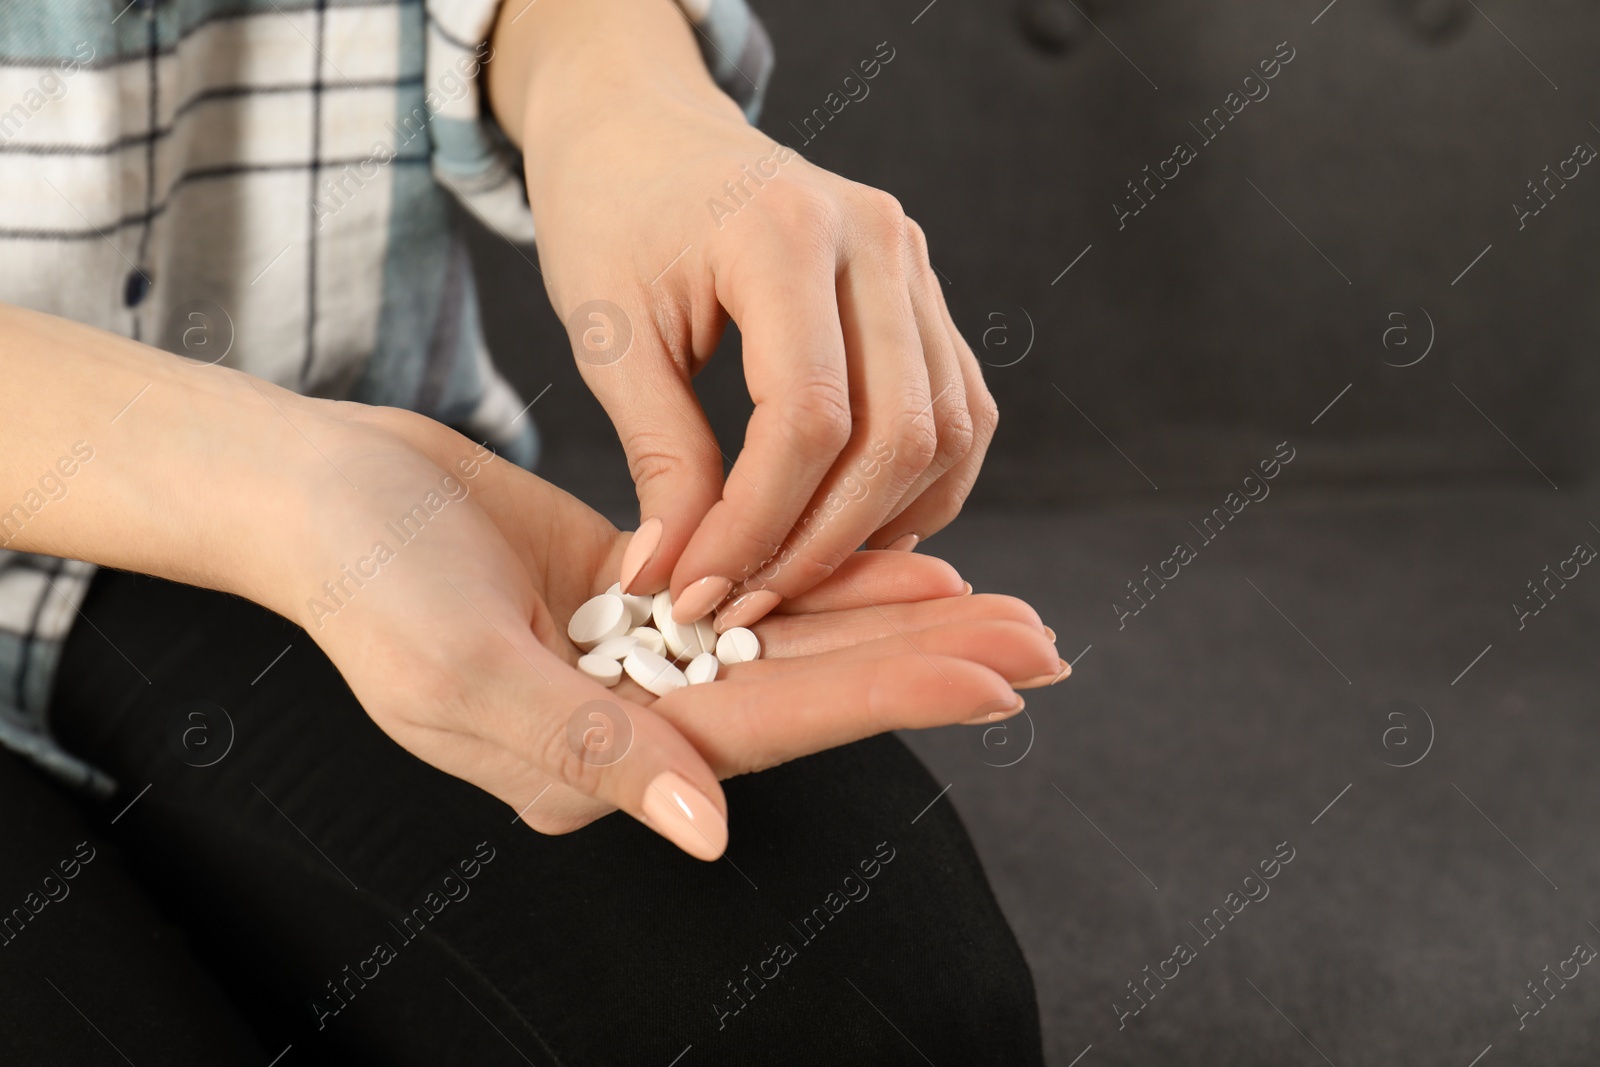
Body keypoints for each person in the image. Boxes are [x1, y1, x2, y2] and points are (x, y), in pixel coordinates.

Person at [0, 0, 1067, 1061]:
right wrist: (268, 468)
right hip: (275, 470)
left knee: (884, 1022)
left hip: (357, 484)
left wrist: (616, 97)